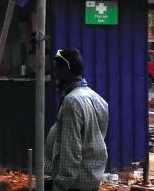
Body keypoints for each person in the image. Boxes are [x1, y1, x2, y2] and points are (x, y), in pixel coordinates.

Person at [45, 48, 109, 191]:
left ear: (66, 70)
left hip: (75, 184)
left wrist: (62, 182)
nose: (55, 75)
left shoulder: (72, 102)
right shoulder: (98, 99)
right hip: (92, 179)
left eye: (57, 69)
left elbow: (71, 148)